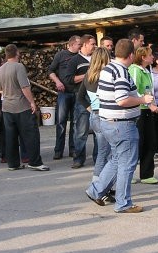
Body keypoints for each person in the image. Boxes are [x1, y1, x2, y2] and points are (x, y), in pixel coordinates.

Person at [85, 39, 153, 213]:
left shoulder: (107, 69)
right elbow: (122, 99)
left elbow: (102, 95)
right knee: (127, 165)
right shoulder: (121, 72)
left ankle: (96, 190)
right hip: (122, 125)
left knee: (116, 160)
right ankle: (123, 203)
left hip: (107, 122)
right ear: (131, 55)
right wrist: (142, 100)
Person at [0, 44, 49, 172]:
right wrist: (32, 102)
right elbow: (24, 87)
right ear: (17, 53)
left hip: (6, 107)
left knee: (11, 136)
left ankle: (13, 163)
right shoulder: (19, 66)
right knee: (31, 134)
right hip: (21, 106)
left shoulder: (1, 69)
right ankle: (35, 162)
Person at [76, 47, 112, 186]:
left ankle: (100, 182)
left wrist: (92, 110)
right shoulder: (105, 75)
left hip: (95, 115)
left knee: (103, 151)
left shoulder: (88, 75)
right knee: (106, 153)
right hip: (106, 115)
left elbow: (80, 97)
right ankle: (98, 184)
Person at [129, 46, 158, 184]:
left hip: (147, 110)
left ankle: (147, 174)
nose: (153, 57)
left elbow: (149, 90)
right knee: (137, 143)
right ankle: (127, 174)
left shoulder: (146, 70)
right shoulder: (135, 70)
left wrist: (153, 104)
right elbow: (134, 90)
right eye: (150, 55)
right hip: (139, 110)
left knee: (150, 142)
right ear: (143, 57)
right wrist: (149, 104)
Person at [48, 35, 81, 159]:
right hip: (64, 93)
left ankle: (73, 149)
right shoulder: (61, 55)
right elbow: (50, 70)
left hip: (77, 93)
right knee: (61, 122)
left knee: (75, 122)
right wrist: (57, 81)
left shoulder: (81, 57)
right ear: (72, 44)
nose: (81, 46)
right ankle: (58, 150)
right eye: (79, 44)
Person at [66, 34, 97, 169]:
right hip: (82, 98)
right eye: (92, 44)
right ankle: (78, 158)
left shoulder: (97, 59)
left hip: (97, 98)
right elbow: (69, 79)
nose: (95, 46)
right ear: (84, 45)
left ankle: (98, 158)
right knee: (81, 130)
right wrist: (88, 75)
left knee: (98, 130)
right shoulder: (74, 60)